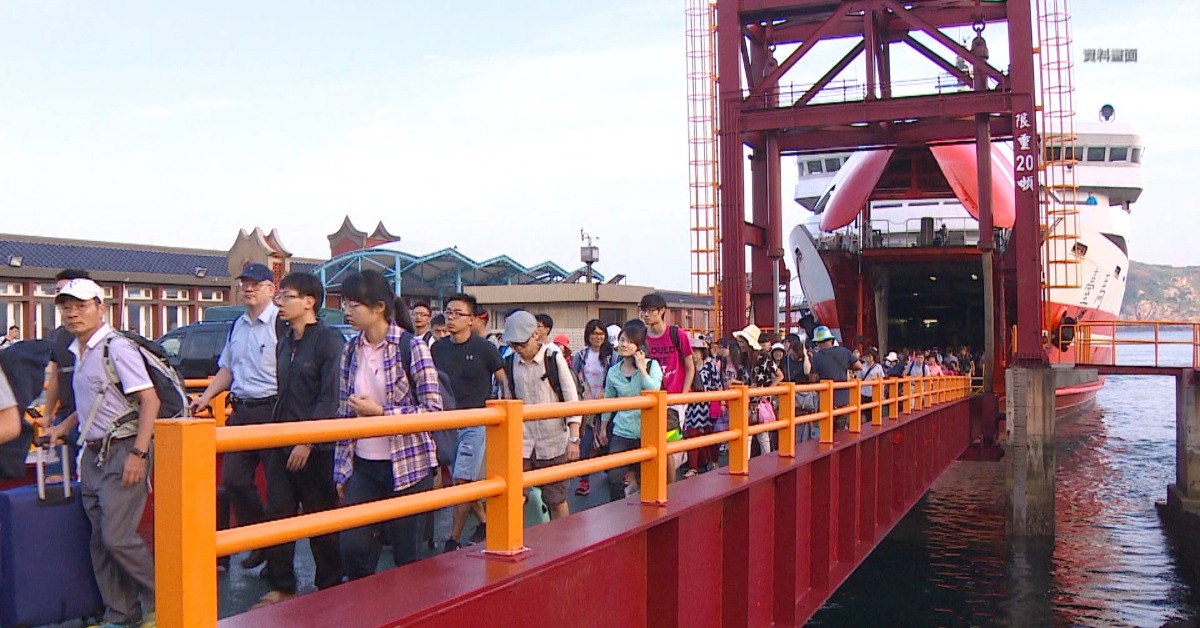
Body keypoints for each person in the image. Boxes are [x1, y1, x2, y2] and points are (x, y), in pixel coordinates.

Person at [43, 279, 156, 627]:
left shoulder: (116, 348)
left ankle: (168, 597)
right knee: (100, 541)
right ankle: (122, 613)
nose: (72, 313)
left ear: (100, 308)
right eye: (66, 307)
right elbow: (94, 403)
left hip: (123, 449)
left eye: (81, 306)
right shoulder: (78, 350)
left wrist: (139, 453)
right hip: (93, 453)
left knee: (117, 537)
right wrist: (62, 427)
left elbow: (150, 400)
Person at [334, 270, 442, 579]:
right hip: (363, 464)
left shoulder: (412, 347)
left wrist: (382, 413)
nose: (347, 311)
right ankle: (367, 604)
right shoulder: (349, 350)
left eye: (354, 305)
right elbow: (343, 412)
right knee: (353, 548)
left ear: (379, 307)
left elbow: (434, 410)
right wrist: (341, 469)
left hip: (409, 465)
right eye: (345, 304)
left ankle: (409, 605)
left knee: (407, 555)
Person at [256, 272, 346, 608]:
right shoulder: (285, 339)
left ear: (309, 301)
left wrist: (308, 441)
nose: (280, 303)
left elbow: (330, 396)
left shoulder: (328, 341)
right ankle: (283, 585)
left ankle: (330, 584)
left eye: (287, 296)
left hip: (316, 447)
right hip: (282, 439)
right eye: (279, 296)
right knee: (278, 512)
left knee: (320, 516)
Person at [191, 263, 280, 570]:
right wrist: (205, 397)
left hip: (272, 411)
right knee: (233, 479)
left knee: (278, 487)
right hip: (241, 411)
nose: (248, 289)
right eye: (244, 284)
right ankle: (259, 540)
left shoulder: (280, 324)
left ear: (271, 289)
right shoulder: (238, 326)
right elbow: (227, 369)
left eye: (255, 284)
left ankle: (273, 554)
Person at [431, 293, 505, 552]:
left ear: (472, 319)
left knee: (462, 480)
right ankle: (485, 522)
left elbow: (503, 380)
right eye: (448, 312)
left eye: (458, 314)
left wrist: (505, 414)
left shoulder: (485, 348)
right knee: (461, 480)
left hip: (475, 423)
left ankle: (452, 540)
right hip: (445, 424)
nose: (451, 318)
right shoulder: (437, 348)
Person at [503, 311, 581, 519]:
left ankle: (563, 537)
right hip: (523, 442)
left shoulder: (553, 358)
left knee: (556, 499)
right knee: (516, 496)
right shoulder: (509, 362)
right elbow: (508, 402)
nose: (518, 349)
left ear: (535, 335)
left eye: (522, 344)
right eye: (513, 345)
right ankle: (517, 538)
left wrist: (574, 439)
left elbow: (571, 397)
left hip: (553, 440)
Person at [598, 319, 663, 502]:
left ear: (640, 345)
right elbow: (609, 401)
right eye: (621, 340)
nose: (623, 345)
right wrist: (603, 428)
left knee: (647, 476)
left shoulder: (652, 366)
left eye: (629, 341)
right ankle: (617, 510)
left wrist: (641, 368)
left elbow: (654, 390)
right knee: (614, 476)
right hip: (622, 430)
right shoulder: (613, 372)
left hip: (647, 430)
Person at [638, 293, 694, 464]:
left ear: (662, 310)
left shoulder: (677, 334)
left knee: (670, 445)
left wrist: (683, 397)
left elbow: (690, 367)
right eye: (644, 310)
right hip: (651, 398)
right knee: (651, 444)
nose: (646, 315)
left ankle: (672, 475)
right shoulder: (642, 337)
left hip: (675, 399)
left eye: (651, 310)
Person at [43, 269, 93, 457]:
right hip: (64, 415)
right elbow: (56, 376)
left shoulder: (107, 342)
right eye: (58, 292)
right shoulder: (59, 336)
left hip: (91, 418)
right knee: (58, 471)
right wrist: (48, 414)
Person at [572, 319, 614, 496]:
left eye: (601, 334)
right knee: (586, 442)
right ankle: (584, 480)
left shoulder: (611, 355)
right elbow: (573, 377)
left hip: (607, 403)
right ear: (588, 335)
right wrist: (583, 394)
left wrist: (605, 390)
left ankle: (615, 472)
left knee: (610, 439)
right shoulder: (581, 356)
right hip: (587, 404)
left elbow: (614, 375)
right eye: (594, 334)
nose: (598, 337)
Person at [682, 336, 722, 477]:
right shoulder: (686, 367)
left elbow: (718, 385)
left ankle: (714, 461)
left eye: (696, 351)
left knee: (710, 434)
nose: (693, 354)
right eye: (691, 351)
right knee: (692, 434)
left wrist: (721, 402)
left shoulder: (710, 366)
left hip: (708, 405)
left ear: (702, 352)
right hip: (692, 406)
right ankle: (693, 467)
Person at [809, 326, 860, 431]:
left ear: (818, 342)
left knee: (827, 430)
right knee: (841, 430)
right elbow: (859, 366)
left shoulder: (817, 357)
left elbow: (812, 379)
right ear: (831, 339)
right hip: (844, 398)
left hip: (826, 400)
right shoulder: (844, 351)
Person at [779, 333, 815, 440]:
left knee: (803, 422)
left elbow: (807, 372)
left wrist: (805, 355)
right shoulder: (785, 360)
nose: (792, 355)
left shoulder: (806, 359)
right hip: (788, 394)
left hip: (802, 395)